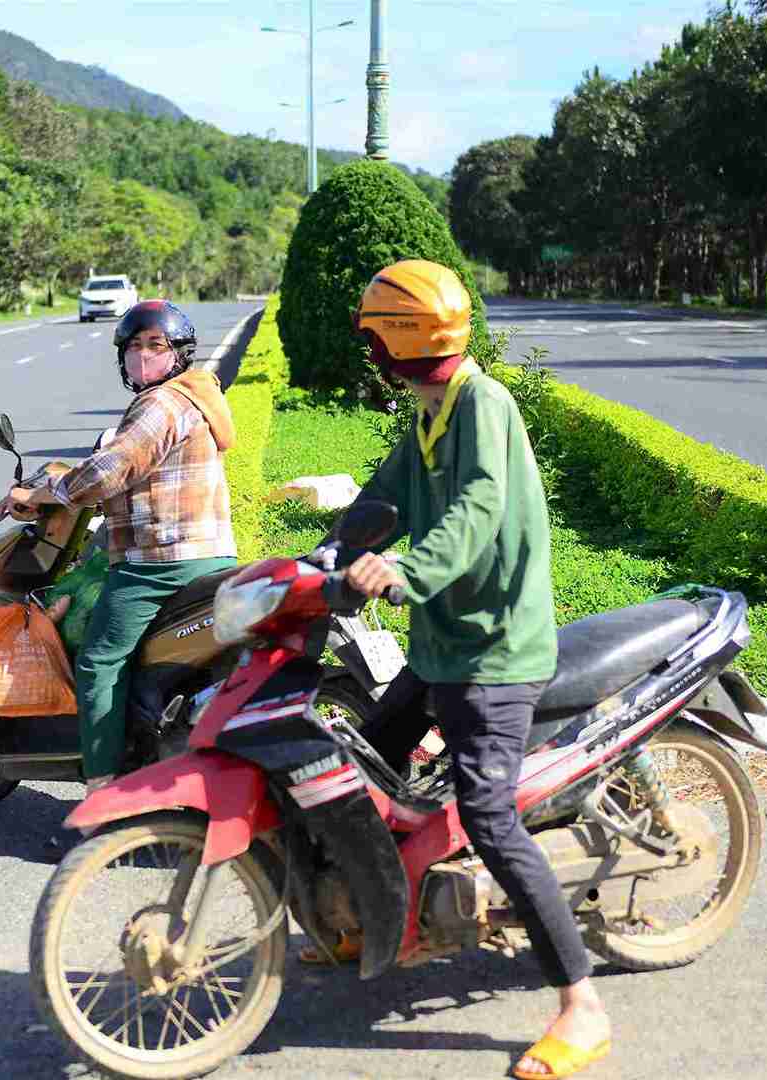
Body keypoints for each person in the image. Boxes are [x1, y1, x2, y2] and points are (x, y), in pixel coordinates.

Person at [323, 260, 612, 1080]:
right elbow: (389, 495)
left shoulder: (483, 406)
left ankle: (581, 1007)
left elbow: (477, 510)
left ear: (405, 340)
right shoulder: (430, 414)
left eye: (377, 335)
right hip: (444, 644)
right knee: (363, 768)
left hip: (495, 654)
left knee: (489, 820)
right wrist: (334, 550)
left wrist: (407, 572)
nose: (371, 349)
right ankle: (380, 918)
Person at [0, 301, 237, 836]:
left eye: (156, 346)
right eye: (134, 347)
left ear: (178, 354)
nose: (143, 356)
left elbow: (112, 469)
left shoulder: (162, 404)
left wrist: (44, 489)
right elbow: (134, 476)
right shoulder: (198, 398)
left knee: (100, 661)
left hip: (161, 561)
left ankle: (101, 803)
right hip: (210, 553)